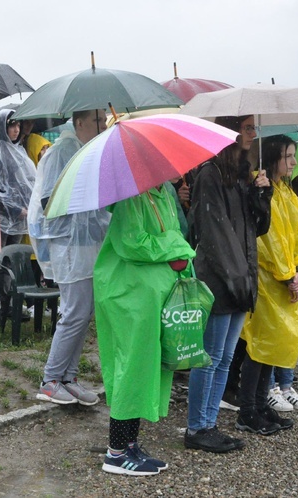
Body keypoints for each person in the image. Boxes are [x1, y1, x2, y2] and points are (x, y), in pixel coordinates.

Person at [95, 182, 195, 475]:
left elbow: (173, 234)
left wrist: (175, 247)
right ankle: (115, 453)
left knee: (146, 368)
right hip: (129, 298)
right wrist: (175, 246)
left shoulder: (163, 191)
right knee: (131, 368)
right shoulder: (129, 196)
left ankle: (130, 445)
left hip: (150, 297)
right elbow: (132, 242)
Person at [184, 115, 271, 453]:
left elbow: (256, 229)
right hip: (221, 280)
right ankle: (196, 427)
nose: (253, 133)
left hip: (241, 278)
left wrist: (263, 195)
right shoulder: (210, 174)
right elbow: (215, 235)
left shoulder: (239, 176)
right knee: (210, 356)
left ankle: (209, 422)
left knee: (223, 357)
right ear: (232, 132)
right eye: (248, 128)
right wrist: (237, 280)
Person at [29, 109, 110, 405]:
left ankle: (68, 377)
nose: (103, 126)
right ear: (79, 122)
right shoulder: (62, 151)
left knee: (85, 312)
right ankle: (50, 379)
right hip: (67, 243)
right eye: (98, 121)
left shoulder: (85, 149)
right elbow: (49, 201)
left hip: (84, 242)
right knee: (74, 311)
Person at [237, 135, 298, 434]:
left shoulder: (285, 191)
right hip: (268, 280)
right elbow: (268, 240)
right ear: (274, 157)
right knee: (260, 347)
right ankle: (248, 410)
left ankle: (260, 405)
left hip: (286, 279)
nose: (295, 162)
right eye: (289, 156)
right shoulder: (262, 187)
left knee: (274, 346)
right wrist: (287, 274)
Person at [0, 110, 36, 324]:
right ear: (1, 127)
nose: (15, 130)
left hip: (20, 217)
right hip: (2, 217)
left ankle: (7, 304)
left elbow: (27, 182)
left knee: (11, 263)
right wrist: (14, 209)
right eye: (11, 125)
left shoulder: (19, 150)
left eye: (17, 126)